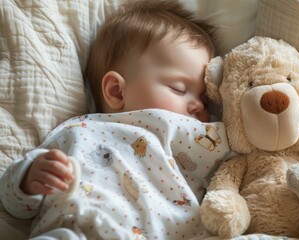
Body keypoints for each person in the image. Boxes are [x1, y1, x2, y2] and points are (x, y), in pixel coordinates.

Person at [0, 1, 230, 239]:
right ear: (117, 91)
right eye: (179, 88)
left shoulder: (197, 136)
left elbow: (238, 168)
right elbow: (14, 206)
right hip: (78, 229)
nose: (199, 105)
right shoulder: (77, 130)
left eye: (204, 96)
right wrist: (29, 179)